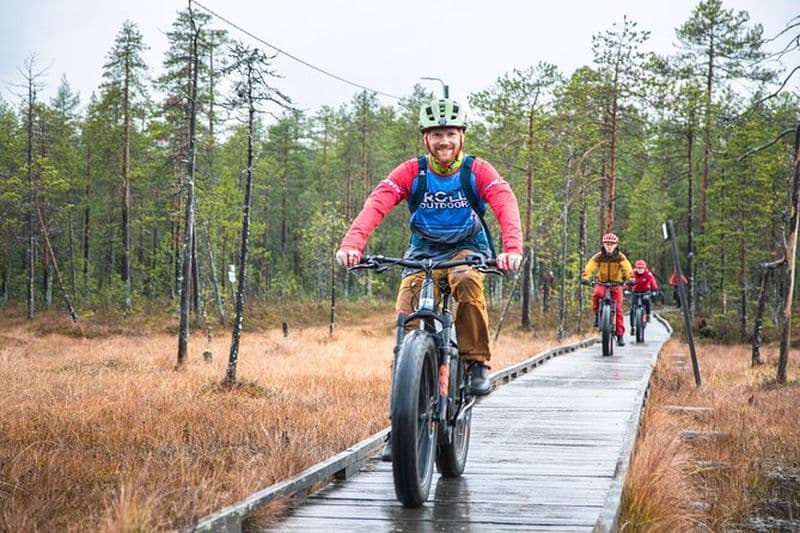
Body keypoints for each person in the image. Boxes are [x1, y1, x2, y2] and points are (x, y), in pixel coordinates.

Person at [336, 96, 523, 395]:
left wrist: (512, 249)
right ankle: (409, 392)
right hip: (423, 252)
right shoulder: (413, 171)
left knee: (465, 281)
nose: (444, 141)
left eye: (451, 134)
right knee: (407, 309)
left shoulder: (477, 170)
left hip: (467, 249)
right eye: (437, 134)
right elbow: (377, 202)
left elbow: (505, 202)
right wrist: (352, 244)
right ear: (426, 138)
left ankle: (475, 362)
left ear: (461, 136)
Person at [581, 233, 634, 346]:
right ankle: (597, 315)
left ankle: (620, 335)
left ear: (616, 245)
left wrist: (631, 278)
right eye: (607, 244)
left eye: (612, 244)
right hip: (602, 282)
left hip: (616, 284)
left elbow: (627, 268)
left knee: (618, 309)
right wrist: (586, 277)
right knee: (596, 294)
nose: (609, 246)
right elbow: (590, 266)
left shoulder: (620, 257)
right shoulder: (599, 256)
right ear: (603, 245)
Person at [630, 259, 659, 332]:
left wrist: (654, 290)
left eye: (642, 268)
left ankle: (648, 314)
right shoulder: (632, 273)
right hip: (635, 292)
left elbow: (653, 282)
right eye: (638, 268)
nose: (640, 270)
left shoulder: (648, 274)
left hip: (645, 292)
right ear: (636, 268)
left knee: (646, 300)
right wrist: (625, 288)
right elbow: (628, 281)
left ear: (645, 268)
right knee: (632, 307)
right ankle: (632, 326)